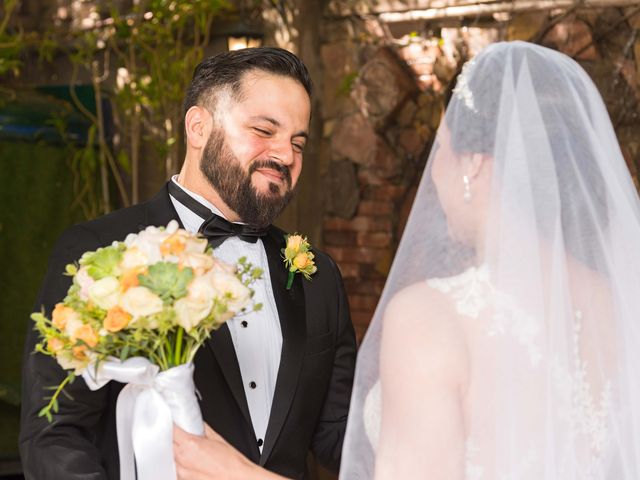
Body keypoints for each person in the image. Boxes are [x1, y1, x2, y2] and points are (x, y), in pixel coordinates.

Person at [20, 47, 357, 480]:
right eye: (264, 130)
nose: (287, 156)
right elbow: (54, 436)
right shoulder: (101, 250)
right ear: (199, 127)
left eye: (297, 142)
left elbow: (338, 433)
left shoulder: (319, 277)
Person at [338, 41, 640, 479]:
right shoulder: (623, 304)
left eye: (439, 149)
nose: (433, 175)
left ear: (473, 164)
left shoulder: (430, 317)